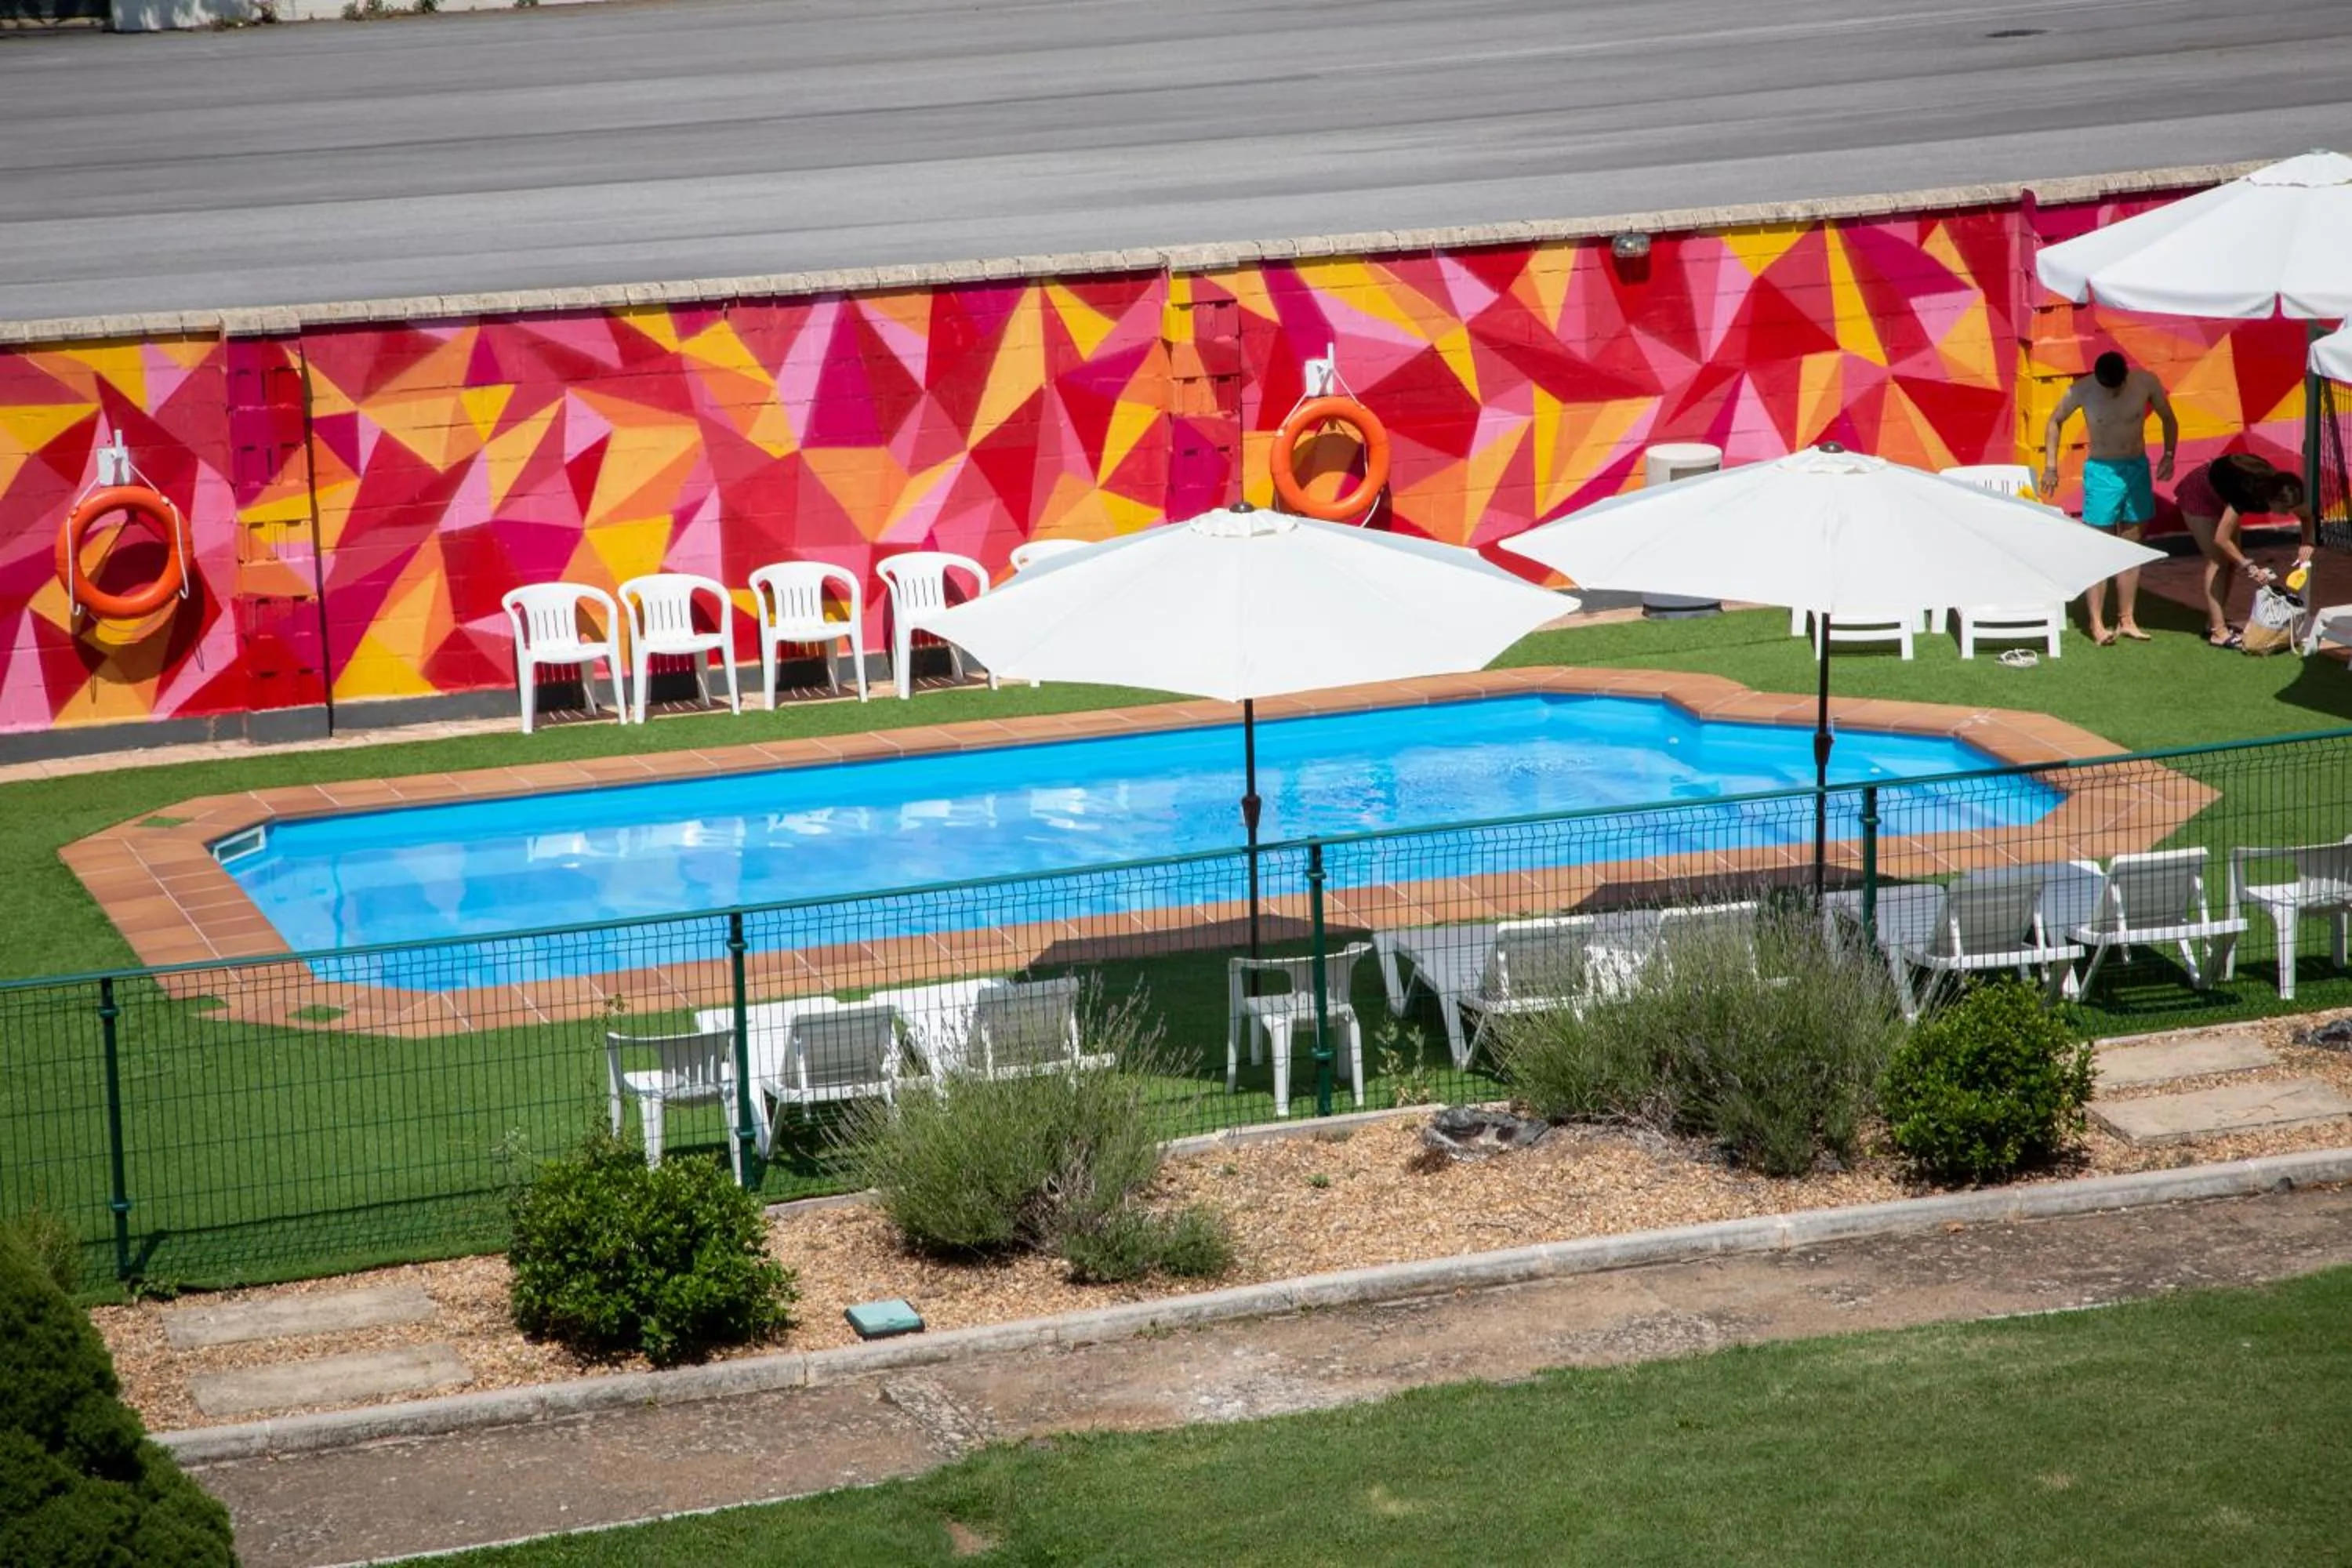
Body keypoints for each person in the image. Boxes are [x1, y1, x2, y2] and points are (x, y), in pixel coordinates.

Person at [2042, 350, 2177, 644]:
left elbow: (2168, 418)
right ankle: (2097, 624)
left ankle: (2127, 619)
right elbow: (2054, 421)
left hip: (2136, 468)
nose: (2113, 393)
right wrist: (2051, 467)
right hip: (2102, 471)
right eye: (2107, 387)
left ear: (2126, 376)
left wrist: (2169, 454)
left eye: (2117, 386)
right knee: (2099, 547)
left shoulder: (2146, 382)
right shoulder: (2081, 391)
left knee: (2131, 543)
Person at [2174, 452, 2318, 647]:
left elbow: (2307, 516)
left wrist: (2307, 542)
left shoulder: (2287, 490)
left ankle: (2213, 623)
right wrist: (2250, 566)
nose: (2287, 514)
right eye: (2284, 509)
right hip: (2200, 491)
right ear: (2272, 499)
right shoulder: (2248, 494)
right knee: (2218, 561)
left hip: (2224, 493)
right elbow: (2221, 539)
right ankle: (2218, 632)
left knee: (2231, 563)